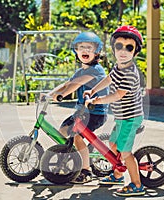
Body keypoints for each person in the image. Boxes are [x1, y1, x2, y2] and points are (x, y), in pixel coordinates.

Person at [84, 25, 145, 196]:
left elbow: (118, 95)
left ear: (136, 52)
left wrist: (98, 101)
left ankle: (136, 184)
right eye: (119, 46)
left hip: (131, 118)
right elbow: (108, 79)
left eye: (129, 47)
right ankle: (118, 174)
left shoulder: (130, 73)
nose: (123, 51)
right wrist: (93, 90)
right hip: (121, 117)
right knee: (113, 144)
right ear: (113, 49)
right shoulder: (118, 67)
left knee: (125, 151)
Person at [47, 32, 109, 184]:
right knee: (62, 132)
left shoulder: (96, 70)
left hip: (95, 113)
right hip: (81, 113)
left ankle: (86, 170)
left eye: (89, 47)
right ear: (76, 51)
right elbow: (68, 84)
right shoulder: (79, 71)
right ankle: (75, 158)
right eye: (81, 47)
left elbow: (75, 85)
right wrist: (49, 94)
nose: (85, 50)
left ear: (97, 52)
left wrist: (62, 95)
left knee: (77, 137)